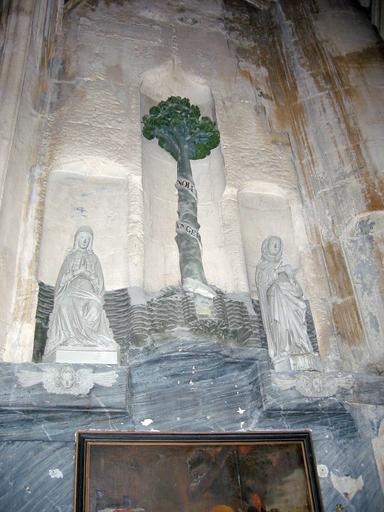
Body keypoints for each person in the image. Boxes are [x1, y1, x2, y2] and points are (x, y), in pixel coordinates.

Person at [44, 225, 116, 358]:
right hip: (71, 290)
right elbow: (61, 281)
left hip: (89, 292)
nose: (84, 241)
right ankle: (69, 338)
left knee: (95, 308)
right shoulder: (70, 258)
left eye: (87, 238)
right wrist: (77, 272)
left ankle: (90, 339)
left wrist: (88, 275)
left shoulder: (94, 259)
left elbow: (99, 284)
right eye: (82, 237)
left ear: (90, 241)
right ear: (77, 239)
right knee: (65, 305)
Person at [255, 236, 314, 365]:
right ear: (266, 247)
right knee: (281, 326)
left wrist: (290, 276)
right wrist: (276, 274)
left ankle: (302, 350)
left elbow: (299, 292)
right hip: (276, 304)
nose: (276, 246)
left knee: (297, 326)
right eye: (273, 243)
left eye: (278, 244)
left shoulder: (286, 266)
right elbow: (262, 291)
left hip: (292, 306)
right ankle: (283, 350)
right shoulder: (262, 268)